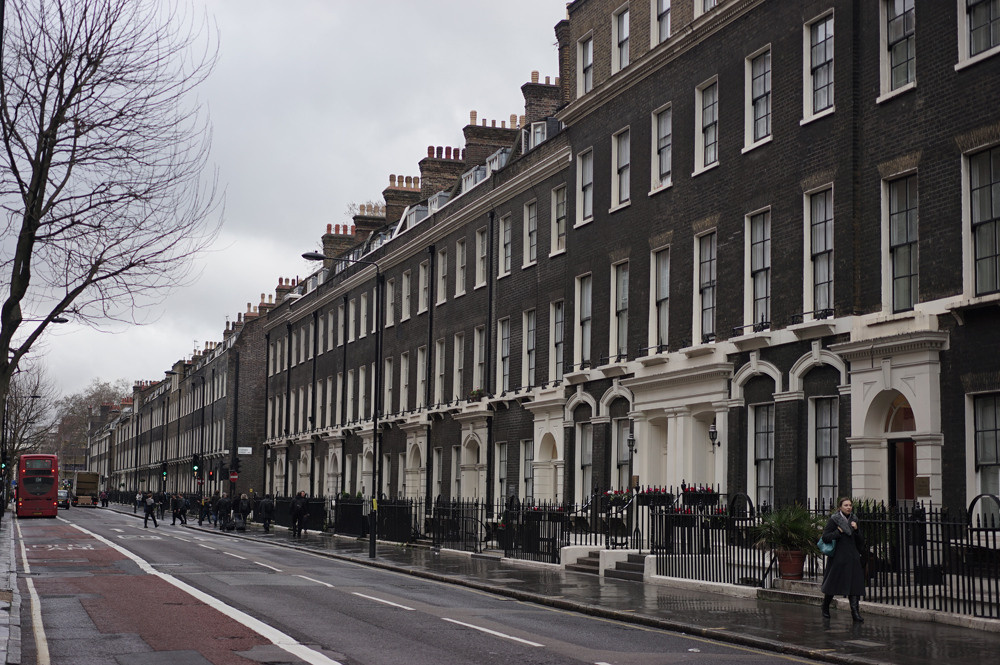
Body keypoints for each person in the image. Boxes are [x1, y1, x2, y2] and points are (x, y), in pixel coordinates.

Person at [820, 497, 868, 622]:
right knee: (832, 585)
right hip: (838, 558)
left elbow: (861, 541)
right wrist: (838, 531)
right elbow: (825, 537)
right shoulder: (834, 520)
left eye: (850, 505)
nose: (848, 507)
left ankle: (855, 613)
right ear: (840, 507)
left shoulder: (854, 520)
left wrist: (857, 530)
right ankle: (825, 606)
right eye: (846, 505)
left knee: (855, 586)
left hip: (852, 558)